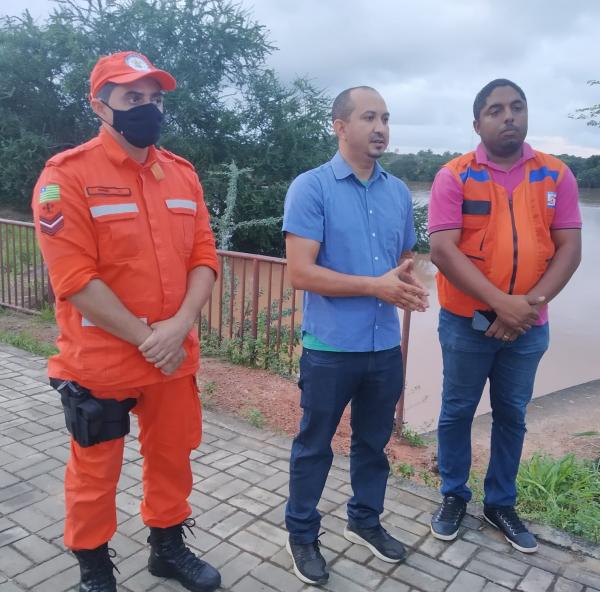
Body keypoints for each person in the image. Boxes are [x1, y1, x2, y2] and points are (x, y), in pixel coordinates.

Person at [32, 51, 221, 592]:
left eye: (154, 98)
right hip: (102, 362)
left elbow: (204, 259)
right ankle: (94, 569)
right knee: (94, 476)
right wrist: (147, 337)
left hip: (171, 358)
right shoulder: (65, 177)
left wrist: (178, 326)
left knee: (171, 460)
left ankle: (167, 549)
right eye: (132, 98)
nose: (148, 108)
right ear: (100, 105)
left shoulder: (182, 175)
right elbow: (74, 280)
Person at [282, 86, 429, 586]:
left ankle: (364, 521)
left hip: (384, 347)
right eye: (369, 117)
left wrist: (408, 285)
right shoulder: (311, 187)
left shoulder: (397, 192)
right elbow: (301, 273)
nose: (381, 127)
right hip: (329, 350)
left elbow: (403, 264)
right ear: (340, 126)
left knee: (373, 443)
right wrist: (375, 285)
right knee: (314, 445)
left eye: (386, 117)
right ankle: (301, 532)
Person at [428, 79, 582, 553]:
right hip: (465, 324)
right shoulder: (454, 175)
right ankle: (454, 495)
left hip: (529, 327)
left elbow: (569, 251)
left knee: (512, 415)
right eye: (495, 110)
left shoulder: (556, 175)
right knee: (456, 412)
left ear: (527, 115)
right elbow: (441, 251)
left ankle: (501, 503)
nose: (508, 116)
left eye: (517, 107)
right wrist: (502, 304)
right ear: (478, 124)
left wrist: (524, 308)